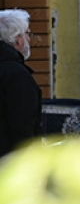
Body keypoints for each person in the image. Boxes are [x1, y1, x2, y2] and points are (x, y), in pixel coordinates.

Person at [0, 8, 41, 156]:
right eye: (28, 34)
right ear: (18, 39)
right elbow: (22, 127)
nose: (29, 39)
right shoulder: (16, 75)